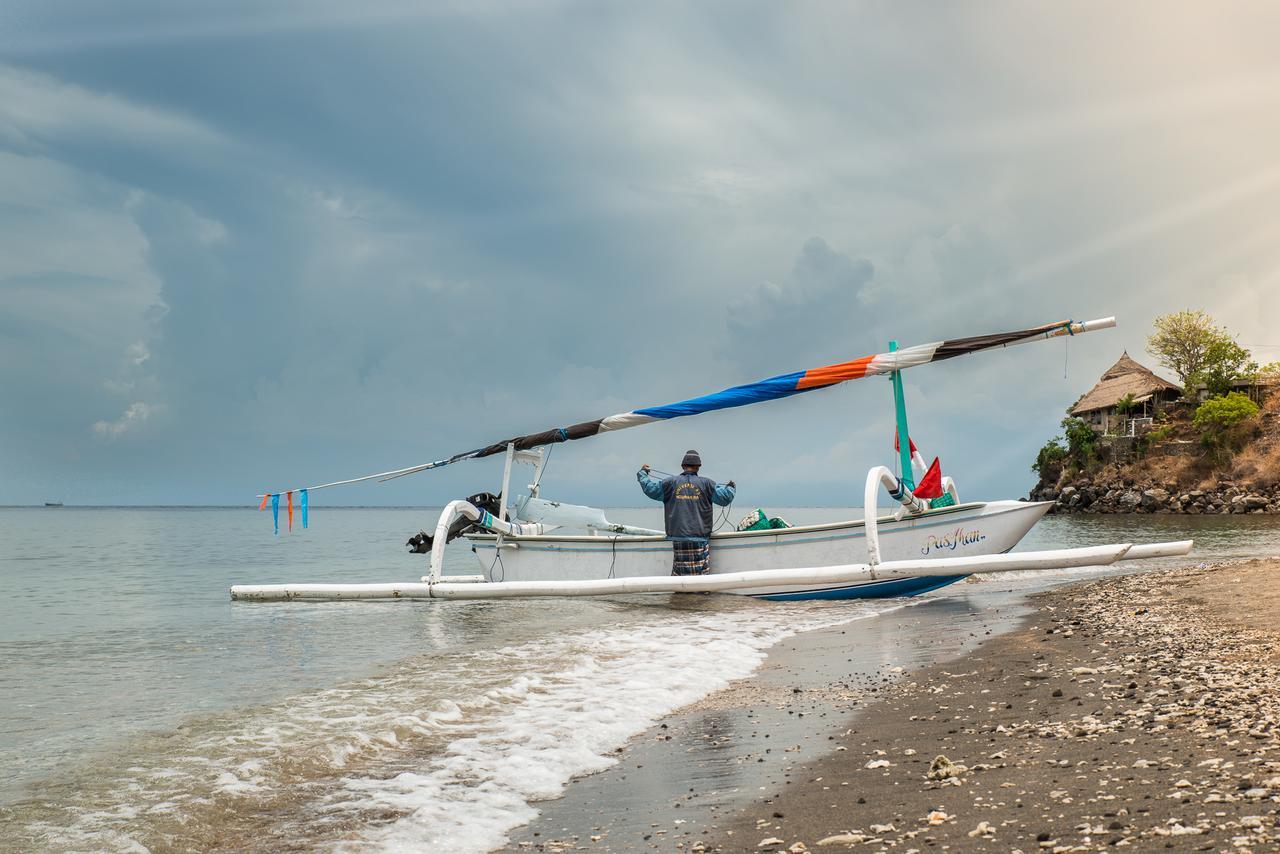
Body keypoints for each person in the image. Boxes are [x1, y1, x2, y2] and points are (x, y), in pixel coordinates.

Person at [637, 450, 736, 576]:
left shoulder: (670, 483)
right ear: (698, 467)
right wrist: (732, 487)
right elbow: (724, 498)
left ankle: (681, 594)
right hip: (700, 537)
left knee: (680, 573)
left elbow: (650, 489)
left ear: (683, 466)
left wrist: (642, 474)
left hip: (678, 537)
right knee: (700, 575)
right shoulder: (707, 484)